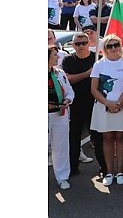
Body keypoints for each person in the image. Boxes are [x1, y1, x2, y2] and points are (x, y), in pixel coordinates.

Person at [90, 34, 123, 187]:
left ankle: (120, 171)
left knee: (121, 137)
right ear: (105, 49)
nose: (113, 48)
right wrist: (108, 104)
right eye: (109, 46)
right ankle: (109, 172)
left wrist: (119, 102)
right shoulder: (99, 64)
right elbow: (94, 88)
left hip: (122, 104)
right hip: (103, 106)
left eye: (116, 45)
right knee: (107, 138)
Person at [62, 32, 103, 177]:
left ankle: (104, 168)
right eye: (77, 44)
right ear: (73, 45)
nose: (81, 46)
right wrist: (87, 73)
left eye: (84, 43)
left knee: (98, 137)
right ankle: (72, 168)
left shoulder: (97, 59)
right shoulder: (68, 60)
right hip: (75, 105)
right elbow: (67, 79)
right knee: (73, 137)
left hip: (95, 104)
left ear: (89, 43)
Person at [49, 46, 75, 190]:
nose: (58, 57)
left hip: (60, 115)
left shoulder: (60, 73)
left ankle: (62, 177)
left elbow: (70, 91)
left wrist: (68, 100)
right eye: (54, 54)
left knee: (61, 147)